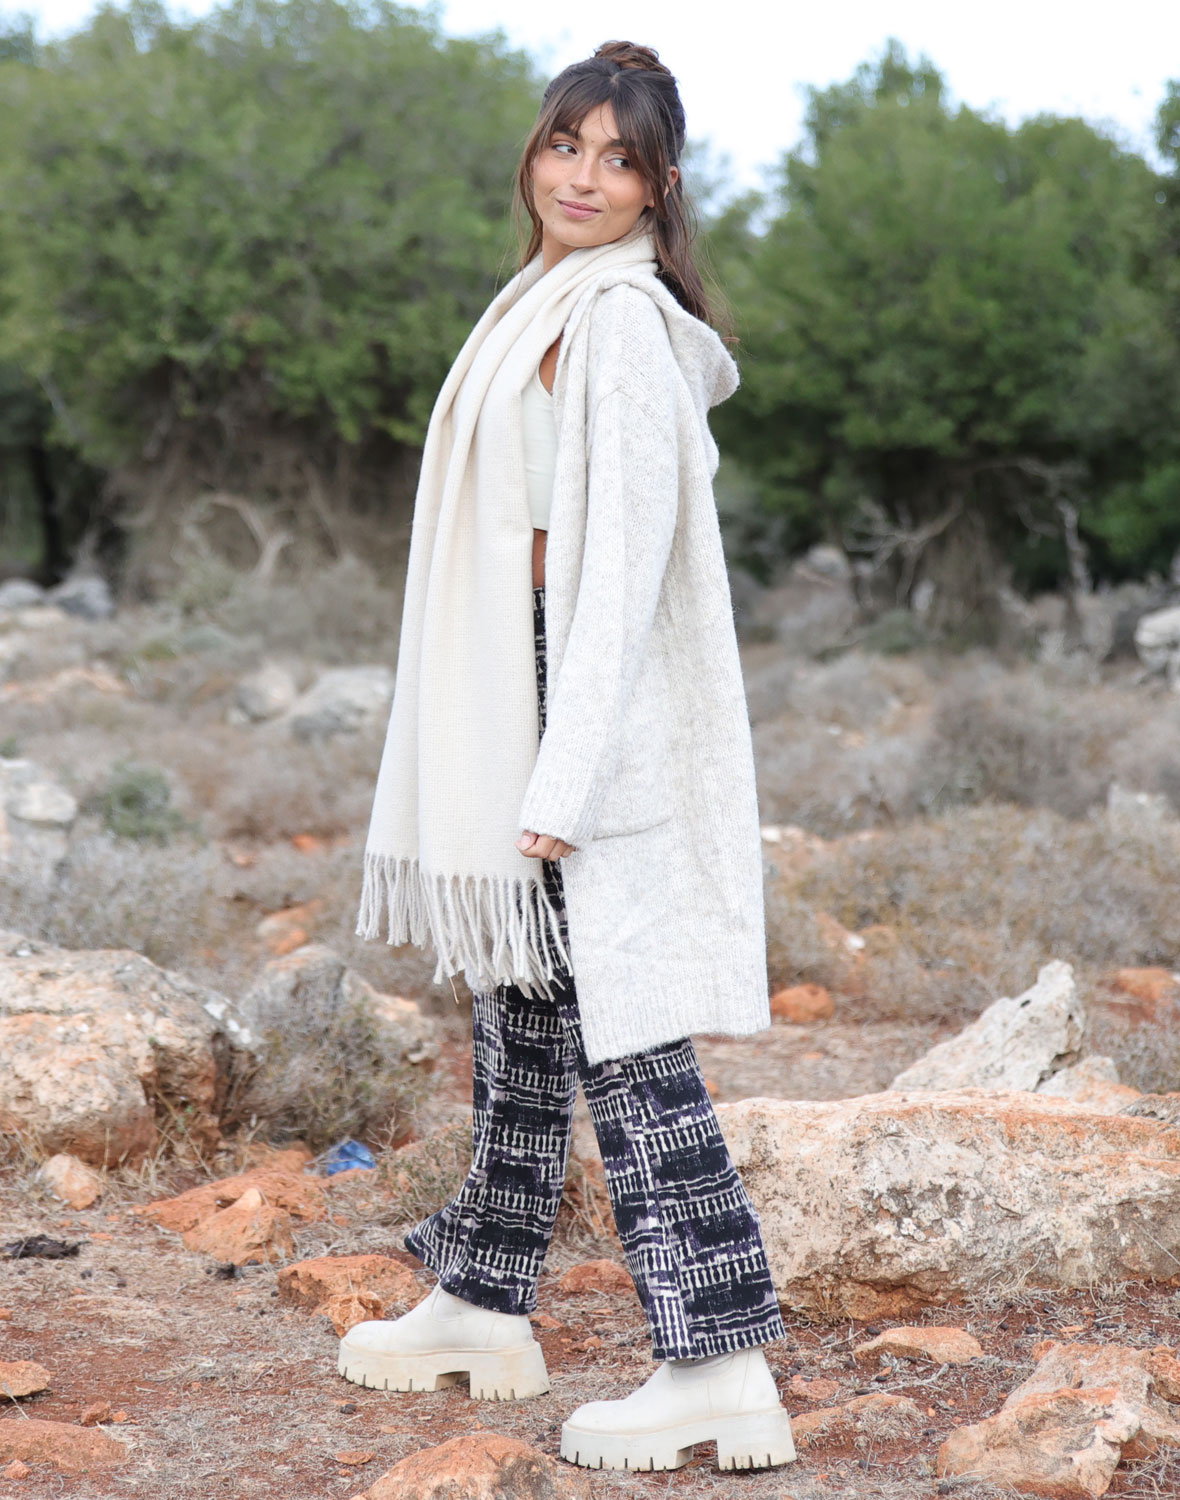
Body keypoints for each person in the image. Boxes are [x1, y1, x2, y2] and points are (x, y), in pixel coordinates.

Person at [343, 40, 796, 1475]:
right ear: (533, 154)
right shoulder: (533, 305)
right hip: (518, 690)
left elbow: (623, 576)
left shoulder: (619, 326)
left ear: (660, 186)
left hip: (582, 709)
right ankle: (482, 1298)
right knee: (522, 1012)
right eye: (564, 145)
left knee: (627, 1030)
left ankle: (719, 1361)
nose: (584, 178)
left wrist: (568, 776)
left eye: (619, 158)